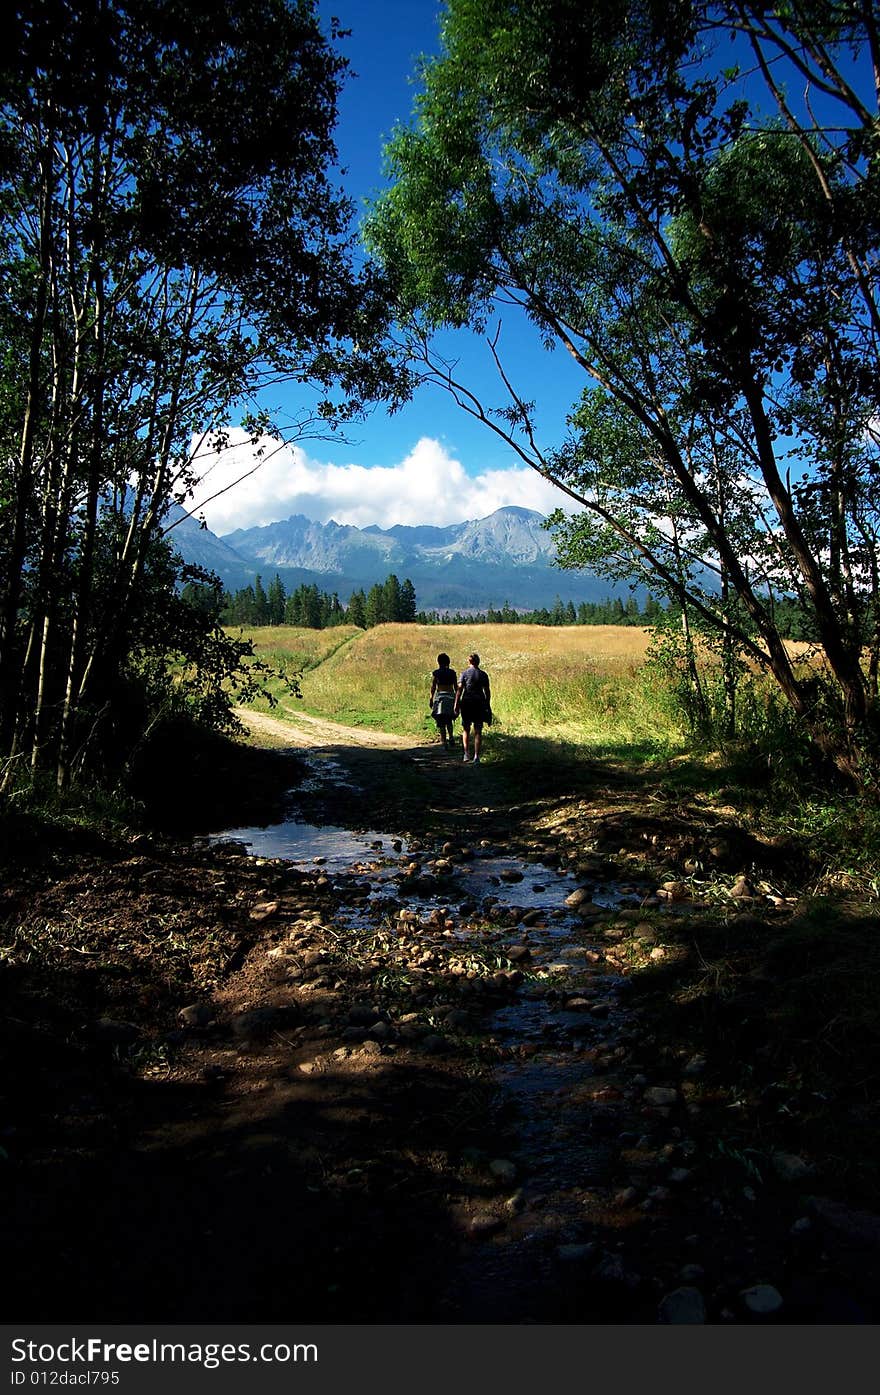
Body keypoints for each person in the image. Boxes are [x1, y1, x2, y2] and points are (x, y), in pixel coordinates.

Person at [454, 652, 491, 764]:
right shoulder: (483, 674)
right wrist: (487, 704)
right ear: (478, 662)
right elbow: (487, 691)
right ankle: (476, 757)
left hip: (467, 702)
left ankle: (466, 754)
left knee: (466, 729)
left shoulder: (464, 674)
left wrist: (456, 704)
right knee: (478, 730)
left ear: (469, 662)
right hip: (479, 702)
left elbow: (459, 690)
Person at [429, 652, 458, 749]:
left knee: (441, 721)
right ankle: (451, 737)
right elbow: (456, 687)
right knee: (449, 719)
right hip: (450, 696)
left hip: (440, 697)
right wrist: (457, 699)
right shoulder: (452, 673)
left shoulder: (436, 673)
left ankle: (444, 742)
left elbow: (433, 687)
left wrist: (431, 698)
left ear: (438, 662)